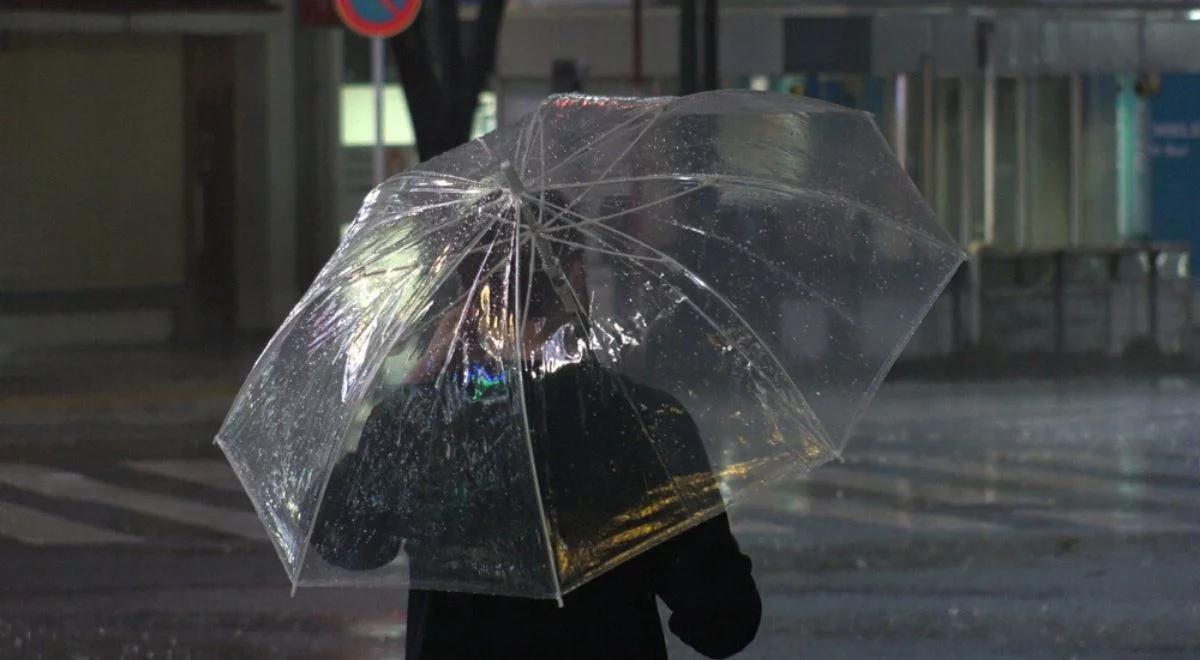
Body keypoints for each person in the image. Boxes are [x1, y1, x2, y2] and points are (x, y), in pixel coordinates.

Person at [311, 194, 761, 659]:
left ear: (468, 299)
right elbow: (724, 622)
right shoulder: (644, 423)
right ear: (574, 277)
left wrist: (419, 382)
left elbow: (350, 540)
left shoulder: (424, 423)